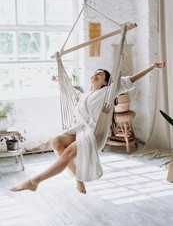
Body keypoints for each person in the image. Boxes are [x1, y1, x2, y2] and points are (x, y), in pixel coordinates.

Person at [10, 62, 165, 194]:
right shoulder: (85, 96)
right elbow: (73, 92)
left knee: (69, 152)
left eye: (100, 74)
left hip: (94, 134)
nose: (96, 74)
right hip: (81, 129)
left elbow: (129, 80)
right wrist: (60, 80)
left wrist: (152, 67)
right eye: (95, 73)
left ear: (105, 82)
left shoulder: (108, 92)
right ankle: (78, 177)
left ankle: (34, 181)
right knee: (56, 142)